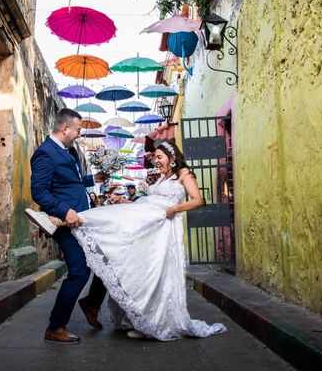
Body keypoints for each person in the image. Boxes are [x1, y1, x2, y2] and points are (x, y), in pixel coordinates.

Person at [31, 141, 227, 341]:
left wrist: (174, 209)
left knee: (152, 270)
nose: (156, 161)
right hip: (149, 220)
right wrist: (125, 201)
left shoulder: (184, 173)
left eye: (160, 157)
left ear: (172, 157)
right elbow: (147, 200)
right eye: (155, 158)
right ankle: (62, 220)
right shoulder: (160, 178)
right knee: (123, 241)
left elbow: (198, 200)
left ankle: (59, 220)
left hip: (163, 224)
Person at [27, 109, 108, 345]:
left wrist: (94, 180)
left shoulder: (68, 151)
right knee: (79, 272)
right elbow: (39, 191)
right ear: (65, 128)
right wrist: (64, 211)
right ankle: (55, 326)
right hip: (66, 225)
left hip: (83, 221)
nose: (79, 134)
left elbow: (70, 182)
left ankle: (91, 303)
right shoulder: (45, 153)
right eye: (78, 129)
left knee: (106, 260)